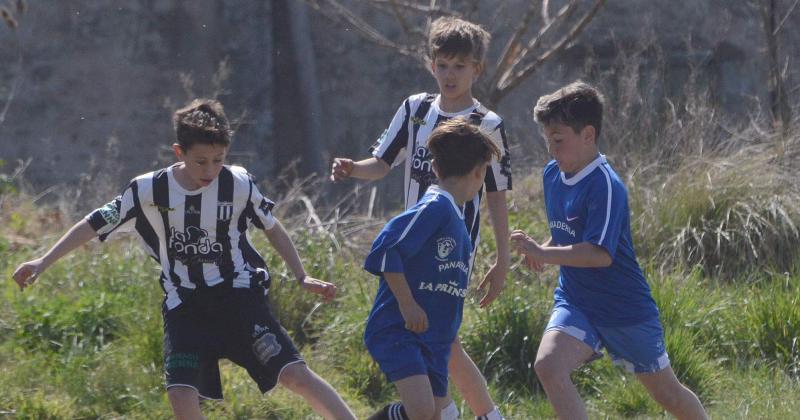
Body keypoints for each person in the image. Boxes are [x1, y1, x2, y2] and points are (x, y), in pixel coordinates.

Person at [12, 99, 356, 420]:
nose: (210, 170)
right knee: (180, 393)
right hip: (184, 303)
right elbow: (93, 223)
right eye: (201, 161)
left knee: (294, 375)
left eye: (219, 159)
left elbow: (273, 227)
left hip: (237, 296)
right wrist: (43, 260)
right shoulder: (147, 190)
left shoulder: (238, 183)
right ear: (180, 152)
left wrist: (301, 275)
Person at [331, 16, 511, 420]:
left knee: (442, 335)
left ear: (476, 70)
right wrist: (353, 169)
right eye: (442, 64)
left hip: (454, 248)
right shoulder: (415, 110)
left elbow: (497, 195)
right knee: (437, 335)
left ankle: (453, 411)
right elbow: (382, 163)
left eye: (459, 66)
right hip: (413, 246)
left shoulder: (488, 125)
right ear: (432, 64)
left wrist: (502, 259)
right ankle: (468, 413)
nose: (449, 74)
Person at [510, 81, 708, 420]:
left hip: (624, 310)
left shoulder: (606, 185)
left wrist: (544, 254)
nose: (551, 149)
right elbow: (567, 233)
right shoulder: (552, 175)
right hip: (576, 301)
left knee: (668, 395)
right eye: (547, 140)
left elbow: (599, 254)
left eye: (558, 140)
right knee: (548, 366)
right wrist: (543, 247)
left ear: (588, 134)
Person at [363, 118, 500, 420]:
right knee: (422, 412)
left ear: (436, 168)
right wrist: (408, 304)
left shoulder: (455, 217)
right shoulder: (435, 207)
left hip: (433, 340)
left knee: (433, 415)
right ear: (480, 173)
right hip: (399, 330)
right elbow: (387, 247)